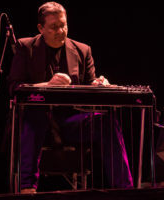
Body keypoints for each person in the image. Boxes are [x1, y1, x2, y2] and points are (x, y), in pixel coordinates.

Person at [8, 2, 133, 193]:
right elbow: (14, 88)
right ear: (40, 28)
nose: (61, 31)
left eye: (63, 25)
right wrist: (47, 86)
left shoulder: (83, 50)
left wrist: (99, 84)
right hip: (39, 122)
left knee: (105, 121)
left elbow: (91, 85)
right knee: (36, 115)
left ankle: (125, 189)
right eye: (54, 27)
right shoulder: (26, 47)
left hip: (71, 121)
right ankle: (27, 187)